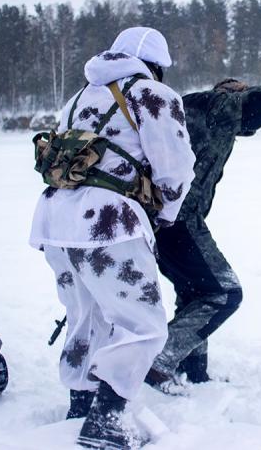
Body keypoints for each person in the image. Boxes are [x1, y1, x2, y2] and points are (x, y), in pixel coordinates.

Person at [29, 27, 196, 449]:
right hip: (108, 224)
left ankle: (80, 406)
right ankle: (106, 421)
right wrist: (165, 216)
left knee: (87, 317)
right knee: (144, 325)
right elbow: (176, 167)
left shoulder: (80, 97)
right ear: (157, 65)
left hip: (55, 222)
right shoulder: (152, 94)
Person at [145, 78, 261, 387]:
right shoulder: (221, 107)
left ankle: (193, 372)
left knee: (196, 292)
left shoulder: (194, 107)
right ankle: (159, 360)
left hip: (164, 217)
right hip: (177, 219)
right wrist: (241, 92)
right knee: (225, 293)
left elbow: (250, 120)